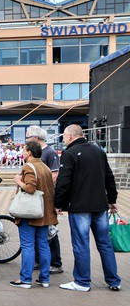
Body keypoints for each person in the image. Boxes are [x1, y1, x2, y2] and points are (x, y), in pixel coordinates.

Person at [54, 124, 121, 292]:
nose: (63, 140)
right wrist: (112, 200)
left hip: (79, 206)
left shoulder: (69, 154)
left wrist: (57, 204)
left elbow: (63, 181)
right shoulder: (98, 151)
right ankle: (114, 280)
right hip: (100, 205)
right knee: (105, 243)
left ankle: (82, 282)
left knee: (81, 243)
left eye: (64, 137)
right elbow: (109, 177)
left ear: (70, 136)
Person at [9, 141, 57, 289]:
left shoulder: (29, 166)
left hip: (29, 213)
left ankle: (25, 279)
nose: (22, 153)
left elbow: (30, 188)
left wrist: (18, 181)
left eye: (24, 150)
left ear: (29, 152)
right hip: (44, 213)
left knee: (28, 245)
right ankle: (44, 278)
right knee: (43, 245)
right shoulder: (45, 167)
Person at [25, 125, 63, 275]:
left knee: (50, 232)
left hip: (45, 199)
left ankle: (55, 262)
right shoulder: (36, 154)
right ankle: (38, 260)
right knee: (37, 230)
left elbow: (54, 176)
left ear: (35, 138)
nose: (26, 140)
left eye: (27, 138)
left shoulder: (50, 153)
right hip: (35, 199)